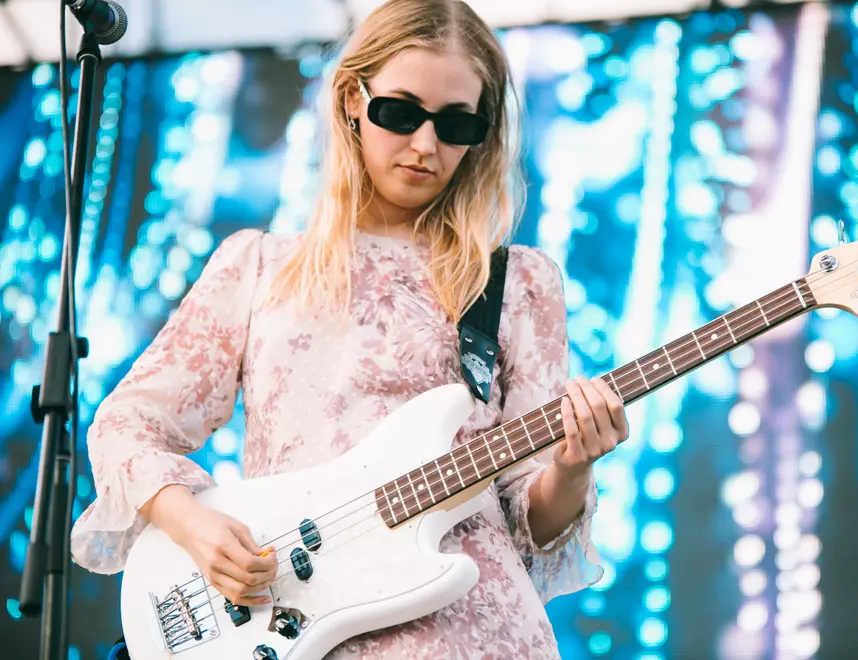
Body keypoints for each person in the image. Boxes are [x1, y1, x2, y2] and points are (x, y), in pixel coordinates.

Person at [70, 0, 629, 657]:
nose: (426, 145)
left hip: (478, 637)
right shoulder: (259, 266)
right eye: (401, 113)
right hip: (301, 628)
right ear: (349, 101)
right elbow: (127, 424)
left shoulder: (520, 280)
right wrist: (191, 522)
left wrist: (573, 465)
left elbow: (529, 524)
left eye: (457, 124)